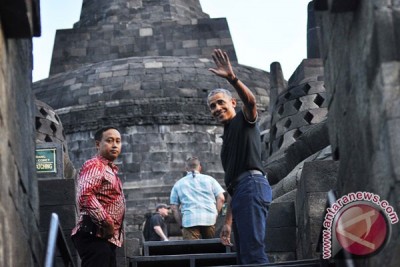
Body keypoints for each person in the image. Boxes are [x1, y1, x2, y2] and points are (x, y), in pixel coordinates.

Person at [207, 49, 273, 264]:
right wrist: (227, 221)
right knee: (244, 256)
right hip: (242, 191)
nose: (217, 108)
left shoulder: (244, 121)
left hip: (253, 185)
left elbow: (252, 102)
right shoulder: (227, 141)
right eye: (212, 106)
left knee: (253, 253)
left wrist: (232, 78)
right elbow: (233, 185)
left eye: (220, 102)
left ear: (233, 103)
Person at [71, 126, 126, 267]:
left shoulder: (109, 169)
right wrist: (106, 222)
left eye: (118, 141)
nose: (115, 145)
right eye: (109, 140)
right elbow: (85, 195)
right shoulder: (95, 165)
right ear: (98, 144)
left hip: (105, 237)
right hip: (94, 233)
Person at [170, 157, 225, 240]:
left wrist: (181, 225)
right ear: (200, 167)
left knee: (193, 251)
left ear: (186, 168)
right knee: (212, 249)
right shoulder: (210, 180)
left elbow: (174, 208)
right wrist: (215, 213)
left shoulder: (178, 184)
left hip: (189, 220)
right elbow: (221, 198)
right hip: (209, 219)